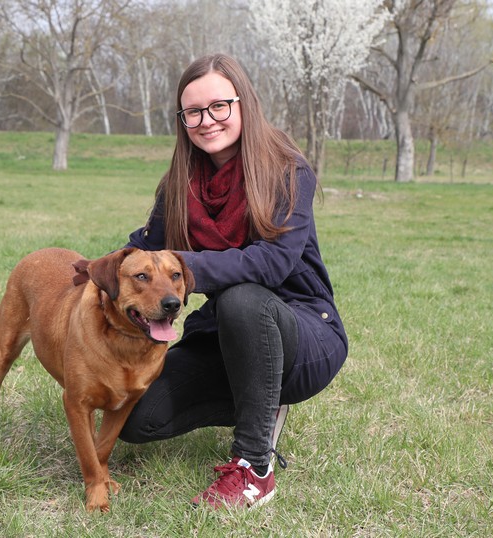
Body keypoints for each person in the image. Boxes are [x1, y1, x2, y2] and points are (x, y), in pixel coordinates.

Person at [119, 53, 348, 509]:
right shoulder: (178, 184)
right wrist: (98, 275)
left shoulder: (286, 170)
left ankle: (254, 467)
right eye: (193, 112)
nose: (207, 120)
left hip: (303, 331)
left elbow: (273, 264)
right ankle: (260, 402)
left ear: (244, 103)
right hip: (222, 334)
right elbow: (143, 251)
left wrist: (185, 268)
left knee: (243, 299)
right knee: (134, 417)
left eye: (219, 106)